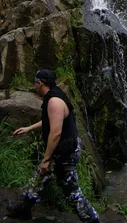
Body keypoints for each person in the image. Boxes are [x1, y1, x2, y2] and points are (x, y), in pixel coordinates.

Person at [7, 69, 101, 223]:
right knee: (39, 178)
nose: (34, 86)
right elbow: (53, 120)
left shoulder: (54, 101)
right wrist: (29, 128)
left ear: (41, 83)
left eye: (35, 82)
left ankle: (92, 220)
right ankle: (24, 210)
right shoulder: (54, 95)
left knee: (71, 190)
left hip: (66, 152)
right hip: (64, 148)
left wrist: (46, 159)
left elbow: (56, 132)